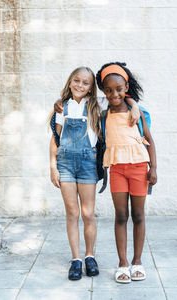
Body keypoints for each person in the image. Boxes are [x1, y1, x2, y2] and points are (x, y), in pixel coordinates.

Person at [50, 66, 140, 281]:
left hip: (88, 164)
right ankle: (76, 259)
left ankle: (90, 256)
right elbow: (55, 138)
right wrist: (52, 166)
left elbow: (122, 97)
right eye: (76, 81)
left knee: (88, 214)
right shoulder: (62, 107)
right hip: (65, 164)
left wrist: (135, 106)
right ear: (70, 81)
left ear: (91, 88)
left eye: (86, 83)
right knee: (72, 213)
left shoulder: (97, 104)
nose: (80, 85)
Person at [96, 62, 157, 283]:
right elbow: (81, 105)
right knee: (121, 216)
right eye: (109, 90)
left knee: (138, 216)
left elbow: (150, 141)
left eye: (119, 89)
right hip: (117, 170)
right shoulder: (103, 116)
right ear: (103, 90)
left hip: (140, 168)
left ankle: (137, 262)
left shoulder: (137, 113)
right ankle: (122, 264)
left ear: (126, 87)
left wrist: (154, 169)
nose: (114, 94)